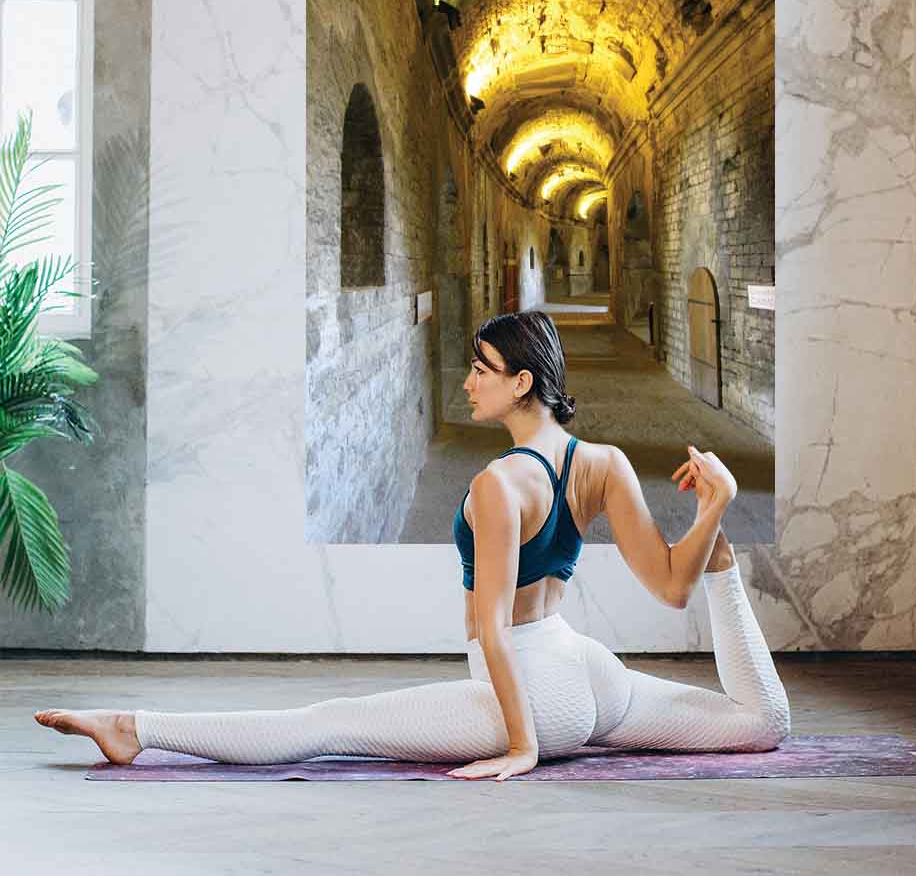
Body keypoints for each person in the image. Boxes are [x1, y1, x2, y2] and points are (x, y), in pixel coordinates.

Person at [34, 309, 790, 779]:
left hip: (533, 691)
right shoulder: (602, 463)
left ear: (521, 381)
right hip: (590, 671)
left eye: (481, 369)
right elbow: (668, 583)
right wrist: (710, 518)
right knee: (760, 725)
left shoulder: (500, 484)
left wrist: (522, 744)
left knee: (326, 723)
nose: (467, 382)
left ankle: (136, 729)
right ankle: (726, 566)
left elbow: (492, 630)